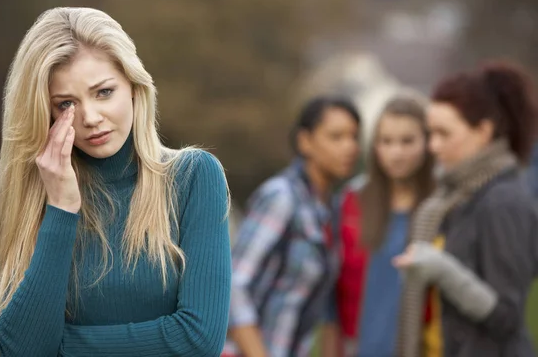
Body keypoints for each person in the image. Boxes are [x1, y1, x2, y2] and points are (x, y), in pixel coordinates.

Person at [0, 7, 231, 357]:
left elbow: (198, 339)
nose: (90, 117)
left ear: (133, 85)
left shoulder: (193, 177)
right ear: (46, 111)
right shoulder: (39, 195)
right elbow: (22, 348)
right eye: (66, 103)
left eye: (103, 92)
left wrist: (61, 349)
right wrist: (62, 208)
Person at [393, 61, 538, 357]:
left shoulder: (503, 201)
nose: (432, 146)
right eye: (430, 133)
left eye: (444, 134)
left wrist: (442, 270)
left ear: (483, 132)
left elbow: (507, 317)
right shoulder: (450, 199)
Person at [223, 95, 360, 357]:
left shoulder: (330, 209)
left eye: (354, 137)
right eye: (336, 137)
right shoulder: (281, 196)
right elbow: (234, 284)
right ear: (305, 141)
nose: (350, 147)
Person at [322, 95, 434, 357]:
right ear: (375, 146)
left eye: (407, 141)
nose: (396, 152)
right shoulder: (351, 202)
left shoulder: (440, 205)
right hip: (358, 347)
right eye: (386, 141)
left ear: (427, 142)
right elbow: (331, 297)